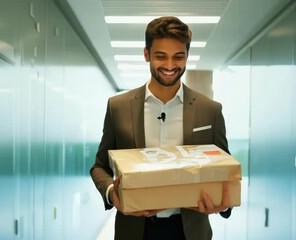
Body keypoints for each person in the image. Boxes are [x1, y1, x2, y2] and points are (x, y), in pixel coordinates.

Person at [90, 16, 232, 240]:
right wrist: (111, 193)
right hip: (135, 229)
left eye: (178, 57)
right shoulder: (118, 107)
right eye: (160, 56)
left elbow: (224, 170)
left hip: (190, 230)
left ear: (187, 56)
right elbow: (99, 167)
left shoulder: (209, 110)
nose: (169, 66)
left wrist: (222, 205)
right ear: (146, 55)